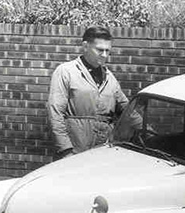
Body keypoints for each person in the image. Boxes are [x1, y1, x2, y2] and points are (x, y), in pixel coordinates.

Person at [48, 26, 129, 159]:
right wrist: (65, 150)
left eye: (107, 51)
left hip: (102, 151)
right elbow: (55, 114)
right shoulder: (66, 71)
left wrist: (150, 134)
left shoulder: (109, 77)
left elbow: (127, 110)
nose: (104, 55)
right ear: (85, 46)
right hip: (74, 149)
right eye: (99, 50)